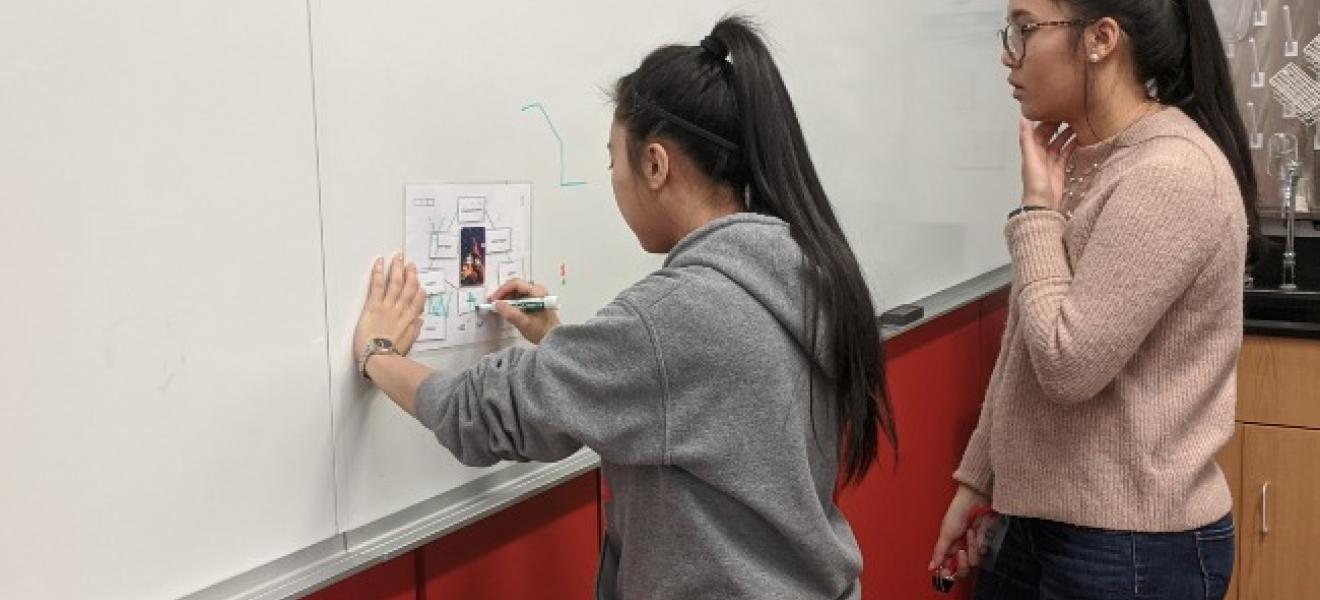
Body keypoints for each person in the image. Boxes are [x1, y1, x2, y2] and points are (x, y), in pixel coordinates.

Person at [352, 15, 895, 600]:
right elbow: (693, 393)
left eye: (614, 158)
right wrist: (557, 336)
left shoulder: (672, 316)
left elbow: (484, 414)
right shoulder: (801, 268)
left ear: (656, 164)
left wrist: (378, 354)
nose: (612, 177)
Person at [928, 0, 1261, 598]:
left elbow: (1067, 363)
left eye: (1026, 30)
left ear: (1101, 39)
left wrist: (1034, 212)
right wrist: (977, 483)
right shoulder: (1085, 159)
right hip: (1043, 525)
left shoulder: (1170, 174)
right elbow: (1024, 348)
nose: (1009, 54)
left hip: (1130, 545)